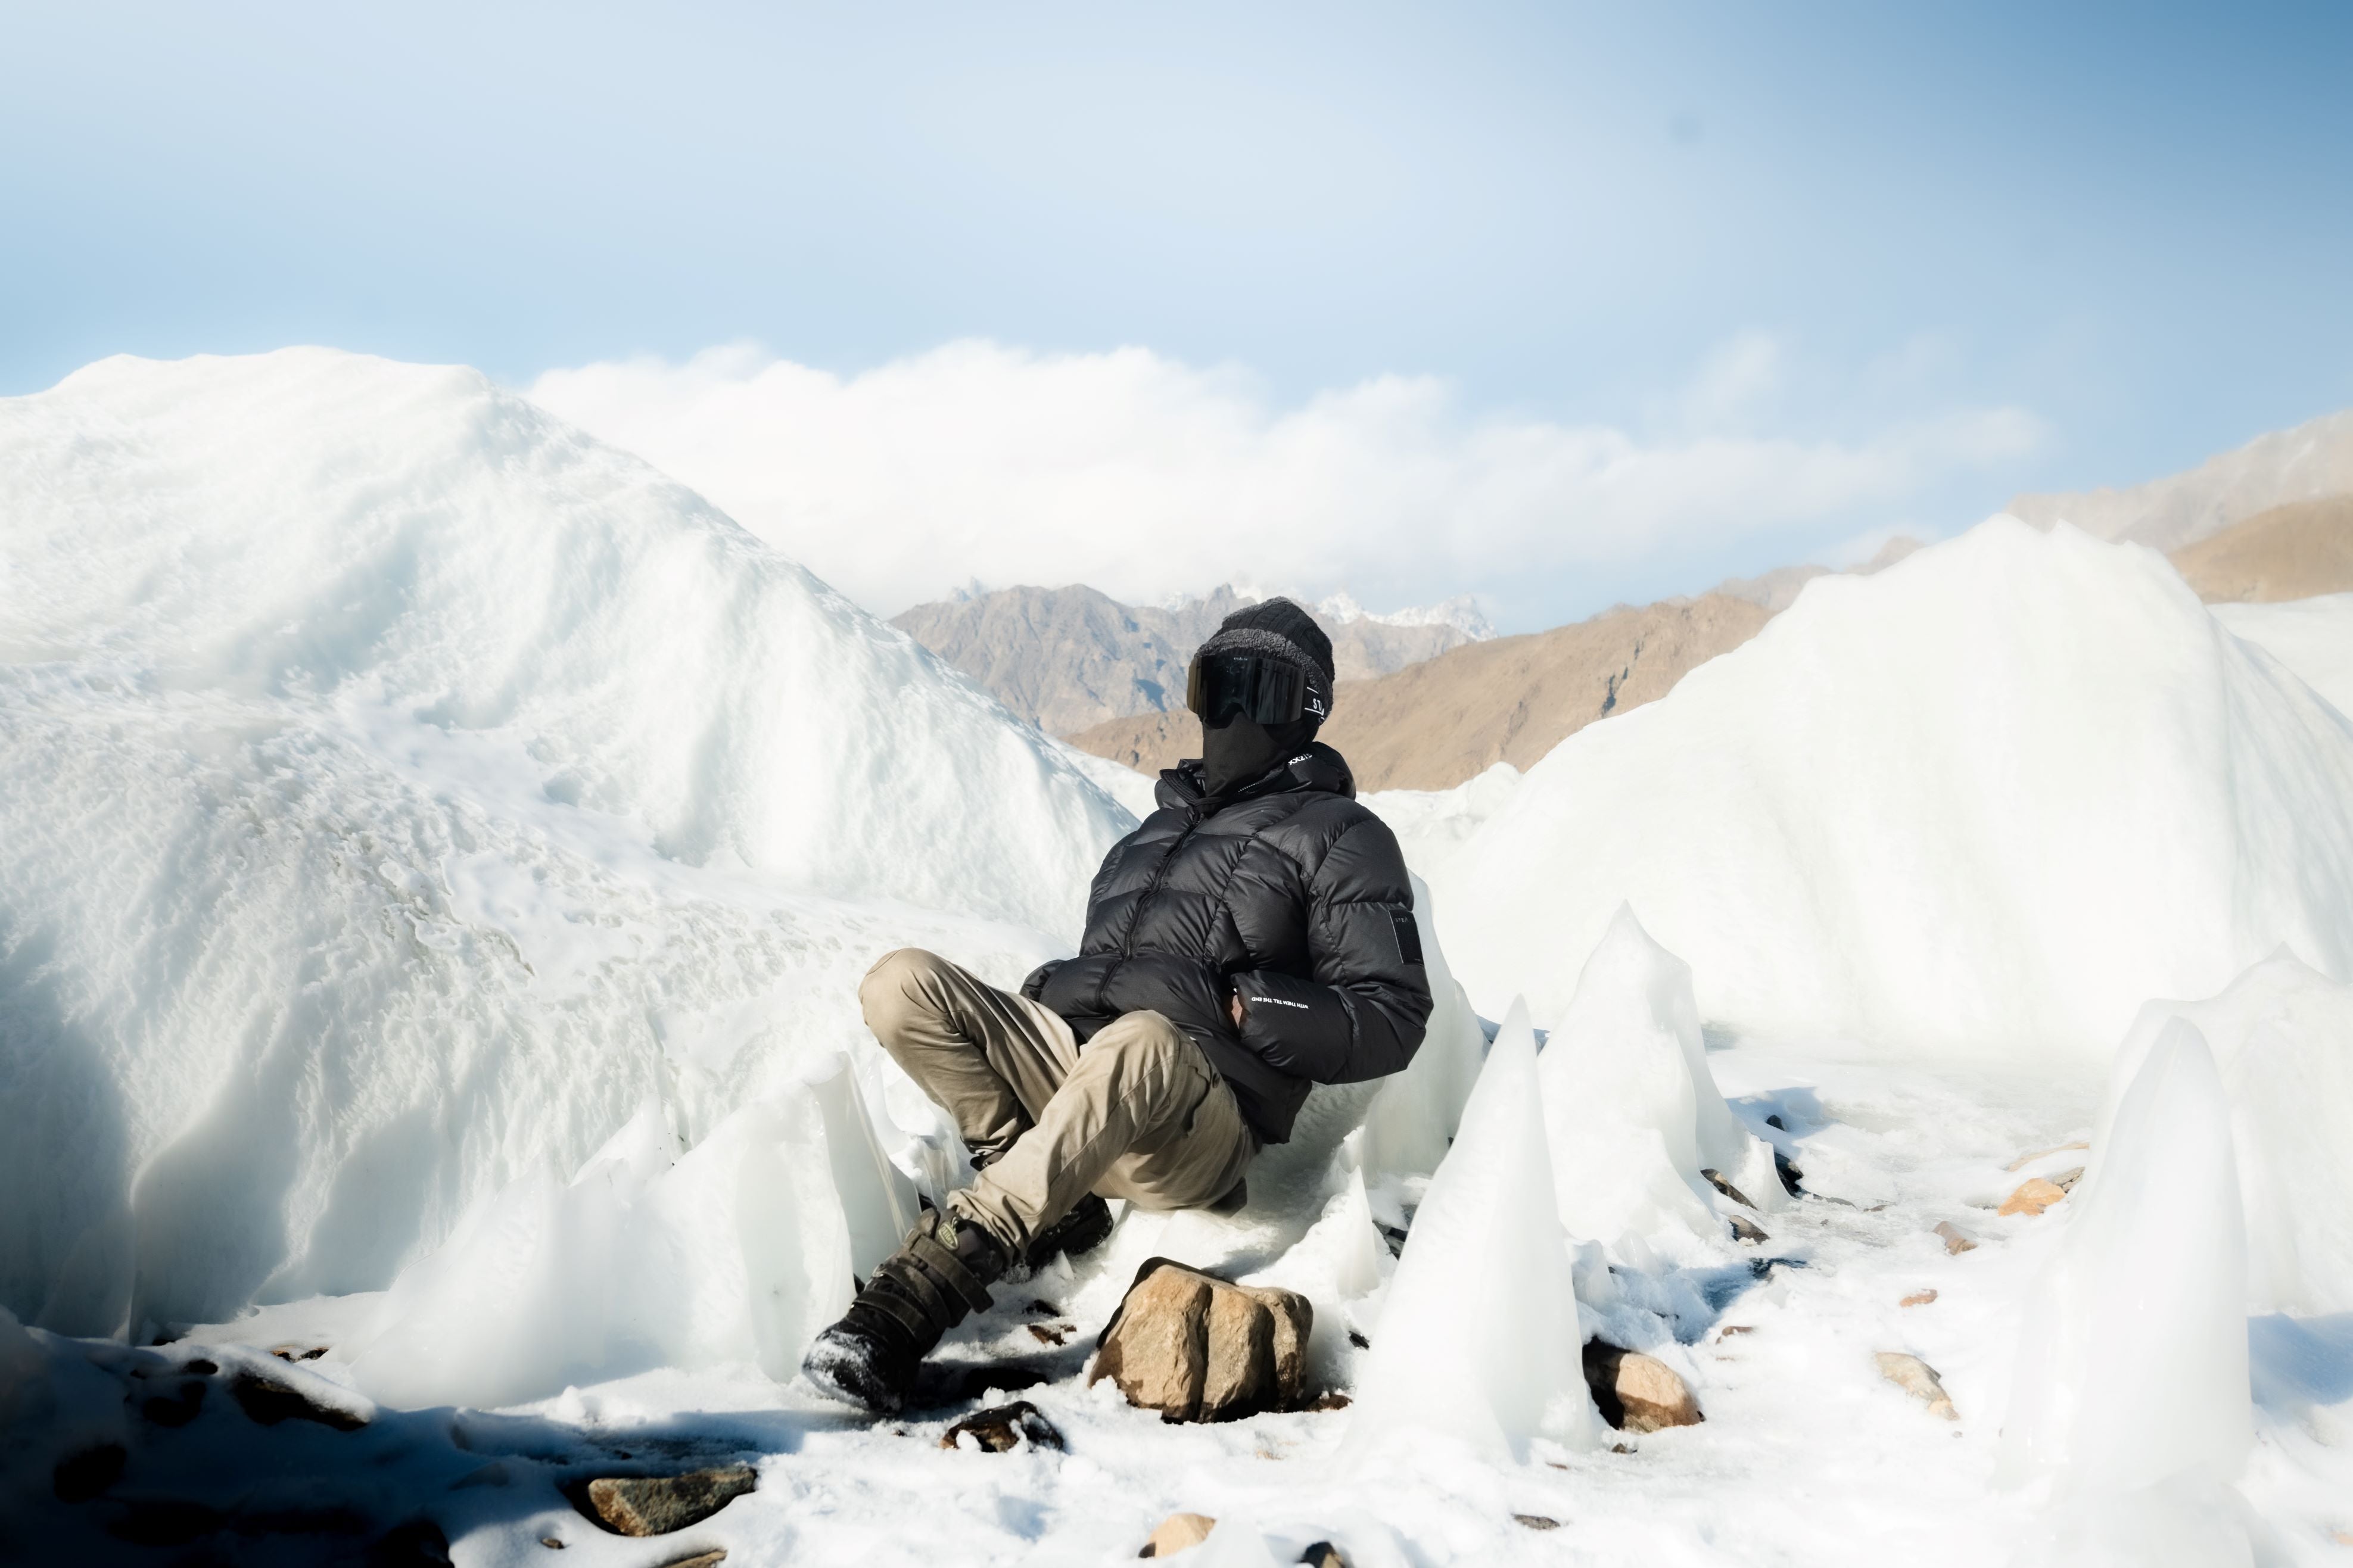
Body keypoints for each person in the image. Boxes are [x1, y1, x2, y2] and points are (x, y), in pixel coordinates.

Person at [802, 597, 1433, 1412]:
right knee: (902, 982)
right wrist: (1044, 996)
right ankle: (1044, 1200)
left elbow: (1393, 1012)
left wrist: (1255, 1007)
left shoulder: (1343, 834)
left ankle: (925, 1289)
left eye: (1259, 690)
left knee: (1141, 1039)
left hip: (1196, 1122)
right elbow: (1113, 972)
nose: (1233, 713)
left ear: (1305, 711)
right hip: (1096, 1077)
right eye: (1218, 686)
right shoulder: (1144, 839)